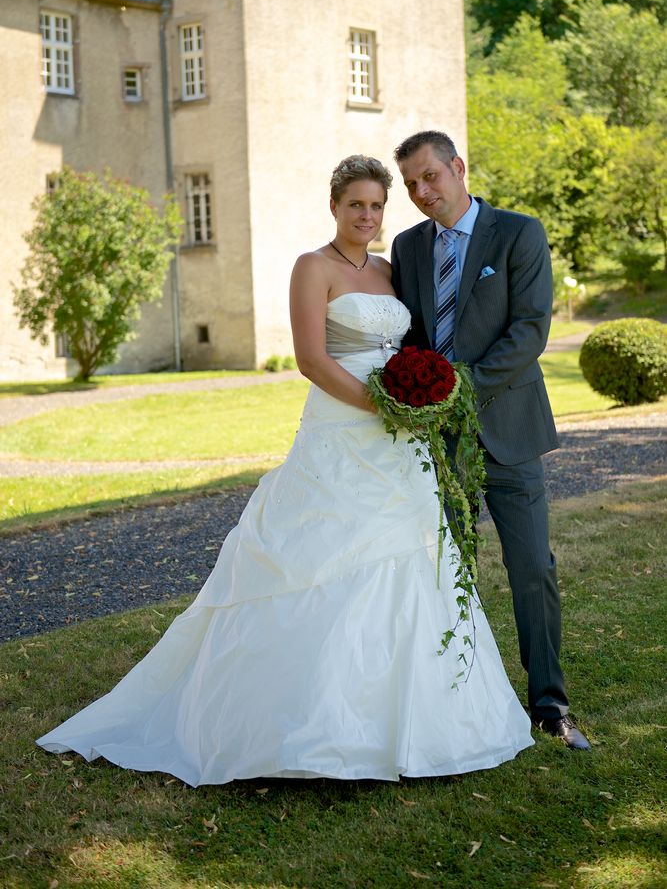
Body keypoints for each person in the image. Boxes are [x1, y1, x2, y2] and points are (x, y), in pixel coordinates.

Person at [36, 155, 534, 786]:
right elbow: (311, 359)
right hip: (342, 428)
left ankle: (422, 718)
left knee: (412, 557)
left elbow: (410, 346)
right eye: (356, 204)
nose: (368, 215)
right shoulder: (312, 267)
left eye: (378, 205)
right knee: (318, 556)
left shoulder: (388, 270)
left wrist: (417, 400)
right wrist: (386, 406)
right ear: (334, 206)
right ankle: (304, 727)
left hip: (400, 439)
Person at [391, 130, 591, 750]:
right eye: (411, 184)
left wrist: (457, 386)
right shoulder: (405, 247)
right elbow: (410, 334)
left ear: (458, 167)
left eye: (431, 177)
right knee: (452, 569)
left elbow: (530, 329)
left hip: (510, 429)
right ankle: (463, 698)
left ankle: (551, 705)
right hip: (439, 440)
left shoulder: (518, 233)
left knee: (533, 568)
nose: (423, 192)